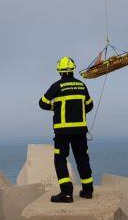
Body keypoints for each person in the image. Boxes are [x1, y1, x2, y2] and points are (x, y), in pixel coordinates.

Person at [38, 56, 94, 203]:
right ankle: (88, 191)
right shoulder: (82, 85)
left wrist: (55, 107)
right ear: (73, 68)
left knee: (60, 160)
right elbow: (89, 105)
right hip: (80, 131)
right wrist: (77, 110)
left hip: (62, 132)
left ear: (59, 70)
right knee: (82, 159)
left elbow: (42, 103)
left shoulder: (56, 86)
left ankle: (67, 194)